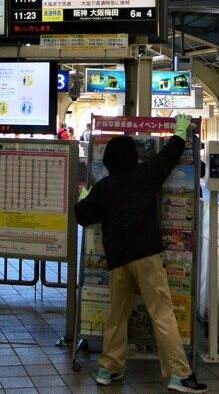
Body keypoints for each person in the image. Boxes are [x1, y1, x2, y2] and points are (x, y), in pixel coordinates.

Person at [74, 115, 207, 393]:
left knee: (117, 314)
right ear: (134, 157)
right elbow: (170, 154)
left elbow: (82, 216)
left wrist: (85, 197)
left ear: (109, 161)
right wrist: (180, 131)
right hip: (146, 256)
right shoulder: (146, 175)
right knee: (161, 312)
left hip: (118, 260)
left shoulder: (104, 187)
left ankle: (108, 368)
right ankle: (179, 374)